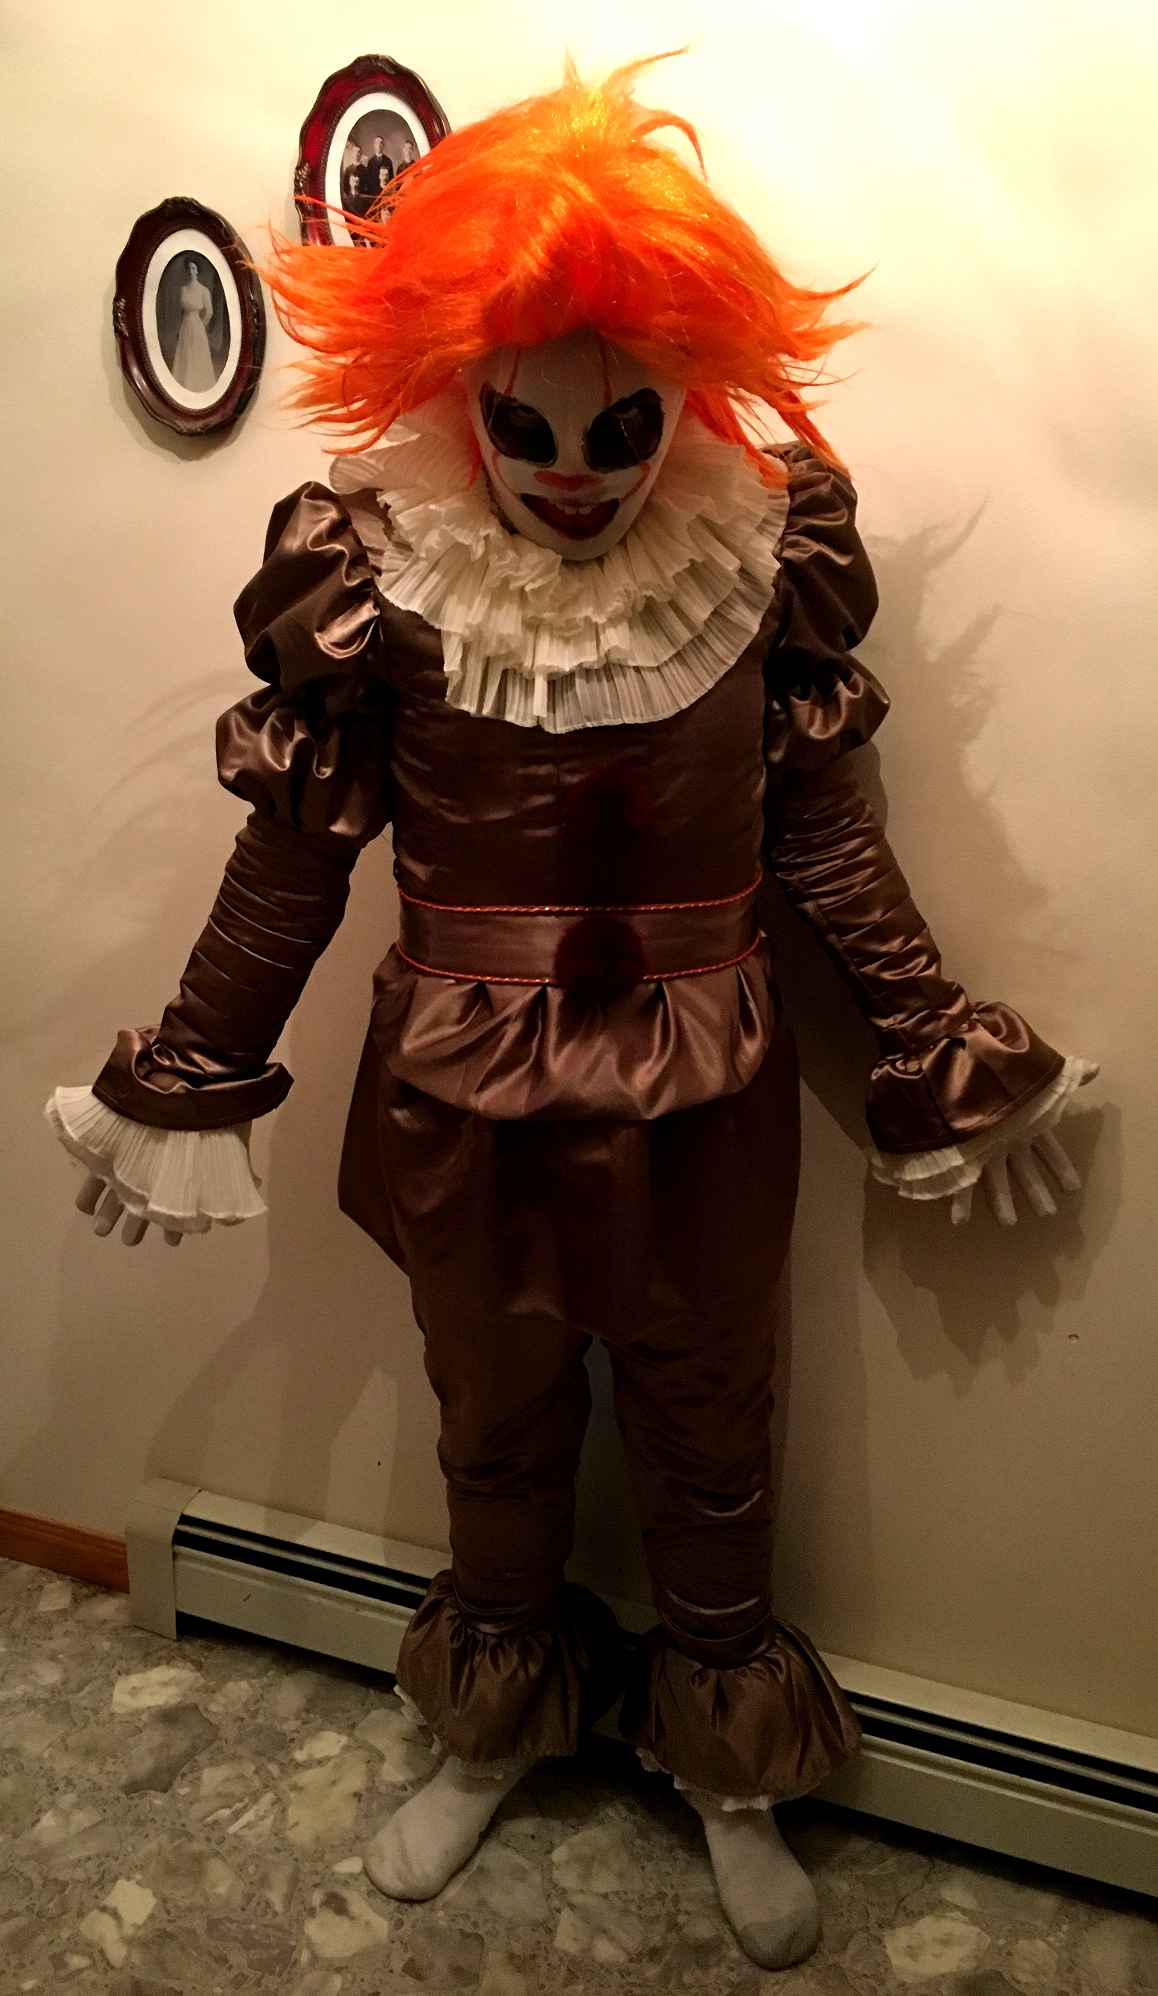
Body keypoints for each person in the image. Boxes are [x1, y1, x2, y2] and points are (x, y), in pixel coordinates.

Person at [48, 60, 1096, 1970]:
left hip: (709, 1081)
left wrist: (932, 1040)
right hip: (464, 1093)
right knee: (495, 1422)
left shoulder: (754, 562)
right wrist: (191, 1071)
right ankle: (494, 1719)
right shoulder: (376, 575)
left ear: (687, 388)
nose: (570, 468)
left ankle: (727, 1772)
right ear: (456, 390)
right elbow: (293, 856)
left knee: (714, 1425)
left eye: (620, 424)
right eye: (520, 422)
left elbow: (822, 837)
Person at [170, 256, 216, 393]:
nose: (191, 271)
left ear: (197, 271)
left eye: (193, 268)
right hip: (185, 325)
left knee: (197, 355)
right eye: (189, 268)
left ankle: (198, 385)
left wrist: (201, 325)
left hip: (197, 326)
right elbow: (181, 311)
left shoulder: (203, 290)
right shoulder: (183, 289)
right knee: (185, 354)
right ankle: (185, 385)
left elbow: (209, 312)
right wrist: (180, 328)